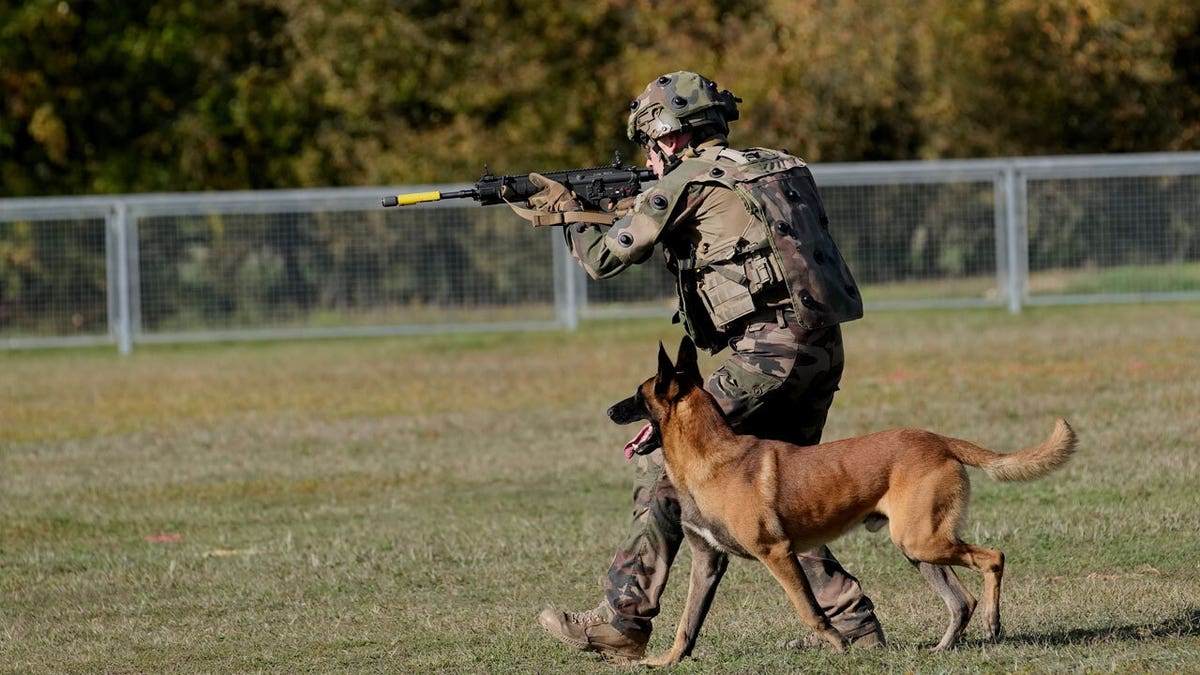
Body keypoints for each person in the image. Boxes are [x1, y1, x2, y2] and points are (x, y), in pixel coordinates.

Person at [526, 71, 884, 661]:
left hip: (764, 354)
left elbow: (601, 261)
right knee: (776, 499)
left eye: (651, 142)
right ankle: (854, 626)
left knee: (670, 479)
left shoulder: (689, 178)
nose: (650, 154)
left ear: (668, 136)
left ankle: (623, 620)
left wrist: (567, 213)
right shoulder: (777, 164)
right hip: (819, 348)